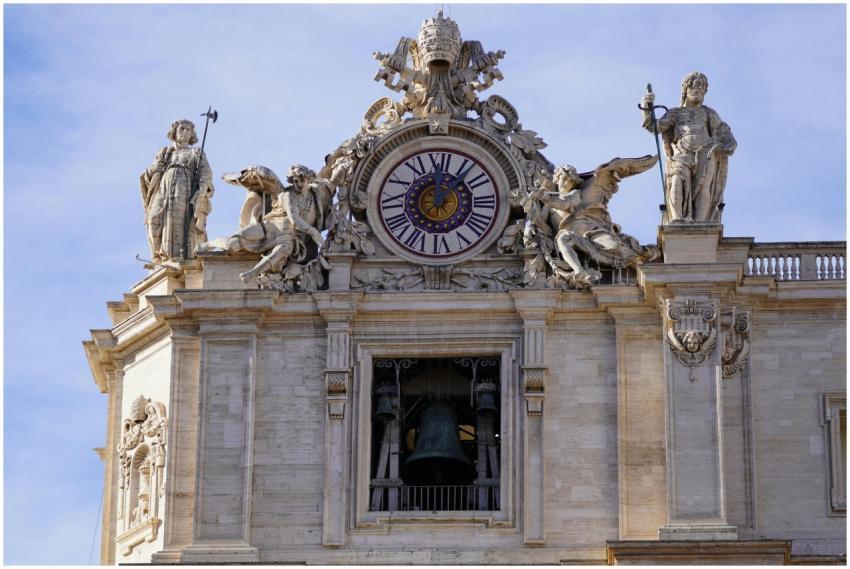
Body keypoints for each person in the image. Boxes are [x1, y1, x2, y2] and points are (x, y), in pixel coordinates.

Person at [640, 72, 736, 222]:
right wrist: (646, 108)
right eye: (696, 86)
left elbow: (726, 136)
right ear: (686, 89)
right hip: (682, 153)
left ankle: (700, 224)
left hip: (706, 152)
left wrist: (724, 146)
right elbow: (654, 126)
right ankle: (677, 221)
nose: (699, 91)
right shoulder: (675, 113)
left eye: (703, 88)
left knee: (704, 188)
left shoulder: (708, 113)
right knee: (676, 179)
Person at [140, 119, 214, 263]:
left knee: (178, 221)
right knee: (153, 219)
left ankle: (176, 258)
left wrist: (201, 191)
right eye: (182, 128)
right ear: (174, 131)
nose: (185, 132)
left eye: (188, 130)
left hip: (184, 187)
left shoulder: (195, 152)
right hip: (163, 188)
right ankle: (158, 257)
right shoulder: (165, 153)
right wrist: (156, 165)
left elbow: (206, 173)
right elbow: (146, 176)